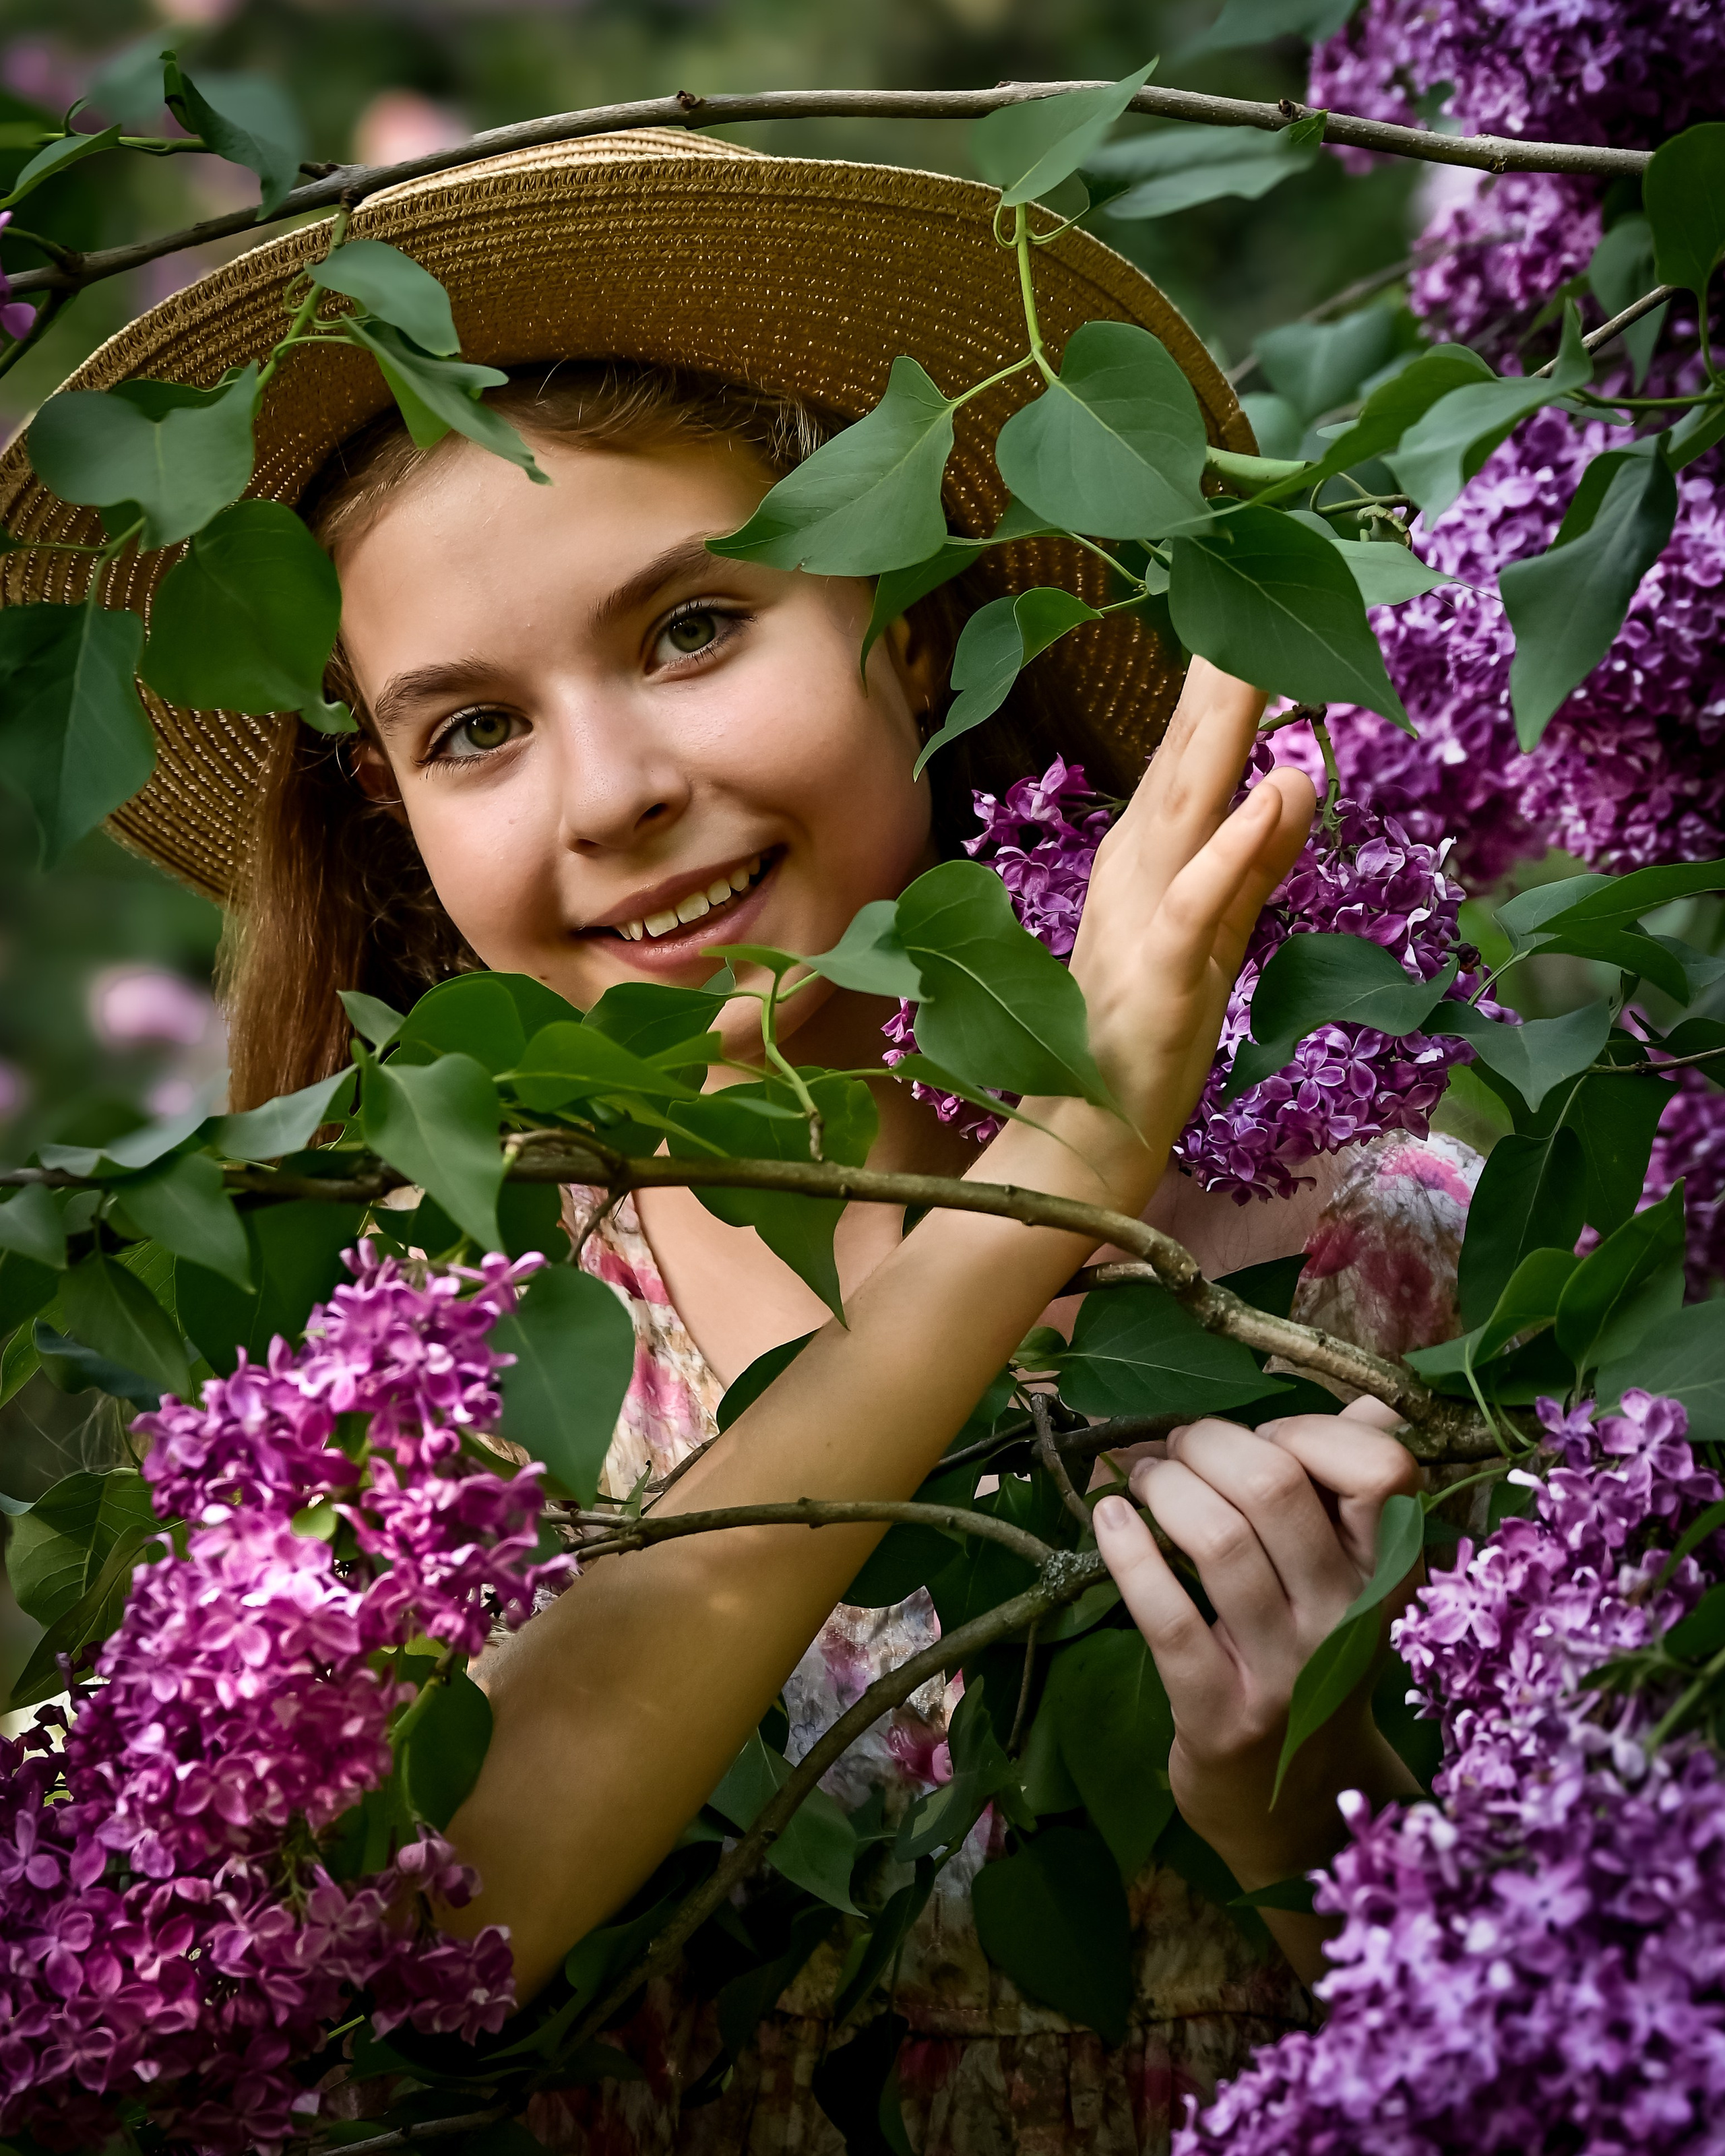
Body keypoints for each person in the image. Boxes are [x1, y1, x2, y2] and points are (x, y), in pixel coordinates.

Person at [4, 132, 1476, 2153]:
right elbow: (419, 1951)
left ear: (921, 640)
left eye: (692, 628)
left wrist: (1313, 1828)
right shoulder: (419, 1365)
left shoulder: (1385, 1264)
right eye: (470, 730)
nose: (608, 793)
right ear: (401, 846)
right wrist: (1060, 1164)